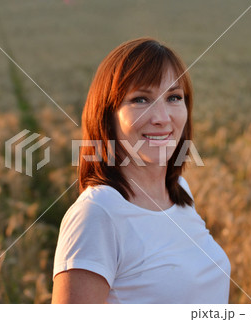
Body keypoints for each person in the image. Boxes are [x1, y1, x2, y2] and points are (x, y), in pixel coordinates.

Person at [51, 38, 231, 304]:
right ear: (107, 116)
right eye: (140, 99)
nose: (161, 117)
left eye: (173, 97)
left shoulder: (180, 192)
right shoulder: (96, 214)